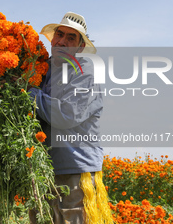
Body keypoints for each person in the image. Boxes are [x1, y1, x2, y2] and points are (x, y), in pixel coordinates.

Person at [28, 12, 111, 224]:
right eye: (60, 34)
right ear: (53, 38)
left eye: (71, 38)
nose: (63, 41)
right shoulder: (42, 69)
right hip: (42, 169)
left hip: (75, 169)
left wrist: (27, 92)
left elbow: (66, 114)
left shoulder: (86, 71)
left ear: (80, 47)